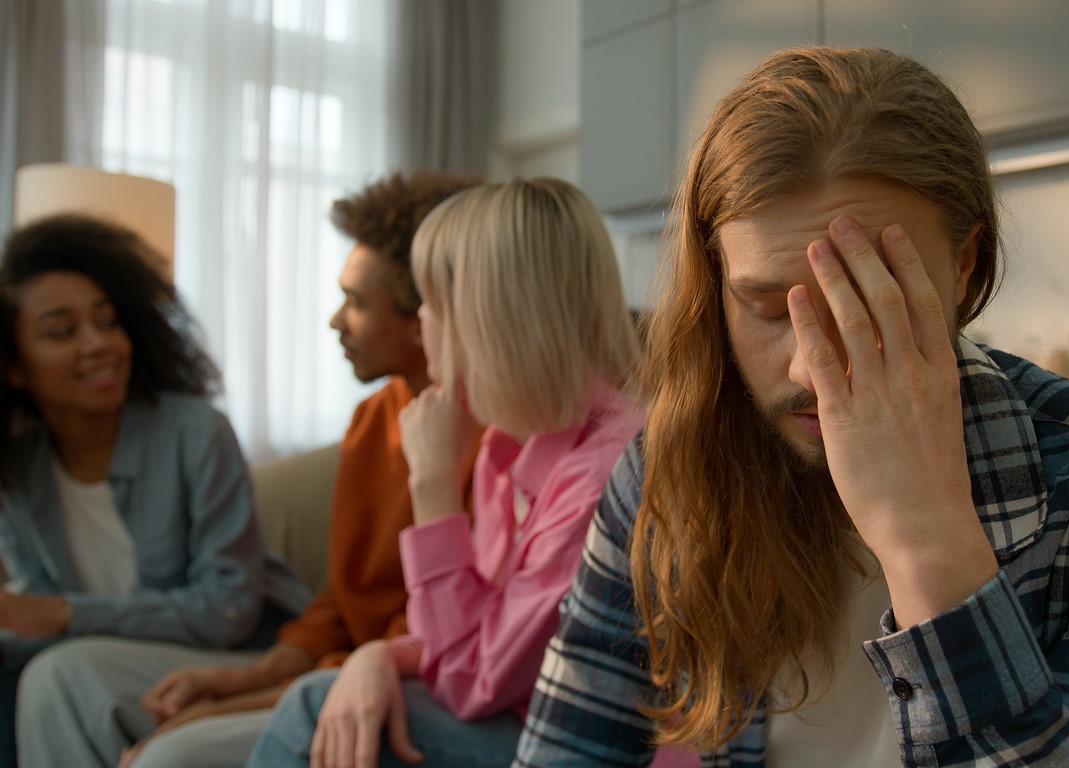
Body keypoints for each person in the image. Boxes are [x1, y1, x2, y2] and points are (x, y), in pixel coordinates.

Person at [513, 46, 1069, 767]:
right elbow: (565, 748)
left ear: (965, 261)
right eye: (765, 308)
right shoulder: (662, 471)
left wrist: (925, 539)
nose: (809, 369)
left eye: (864, 303)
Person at [15, 172, 484, 768]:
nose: (335, 321)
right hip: (322, 666)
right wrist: (259, 677)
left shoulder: (486, 436)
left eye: (357, 302)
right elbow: (341, 600)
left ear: (425, 317)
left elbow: (429, 631)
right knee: (53, 676)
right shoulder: (373, 420)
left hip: (389, 680)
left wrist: (249, 696)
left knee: (169, 756)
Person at [245, 177, 646, 768]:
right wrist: (379, 657)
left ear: (483, 320)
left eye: (429, 303)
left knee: (311, 710)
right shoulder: (506, 445)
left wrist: (431, 486)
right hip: (514, 713)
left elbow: (471, 679)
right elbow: (473, 636)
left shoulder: (605, 476)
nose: (420, 322)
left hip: (592, 747)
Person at [0, 213, 310, 768]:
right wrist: (42, 619)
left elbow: (228, 609)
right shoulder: (17, 472)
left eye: (108, 321)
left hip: (246, 656)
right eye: (62, 331)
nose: (98, 344)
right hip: (112, 666)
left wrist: (66, 614)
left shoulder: (195, 433)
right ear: (14, 368)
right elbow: (34, 621)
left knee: (57, 674)